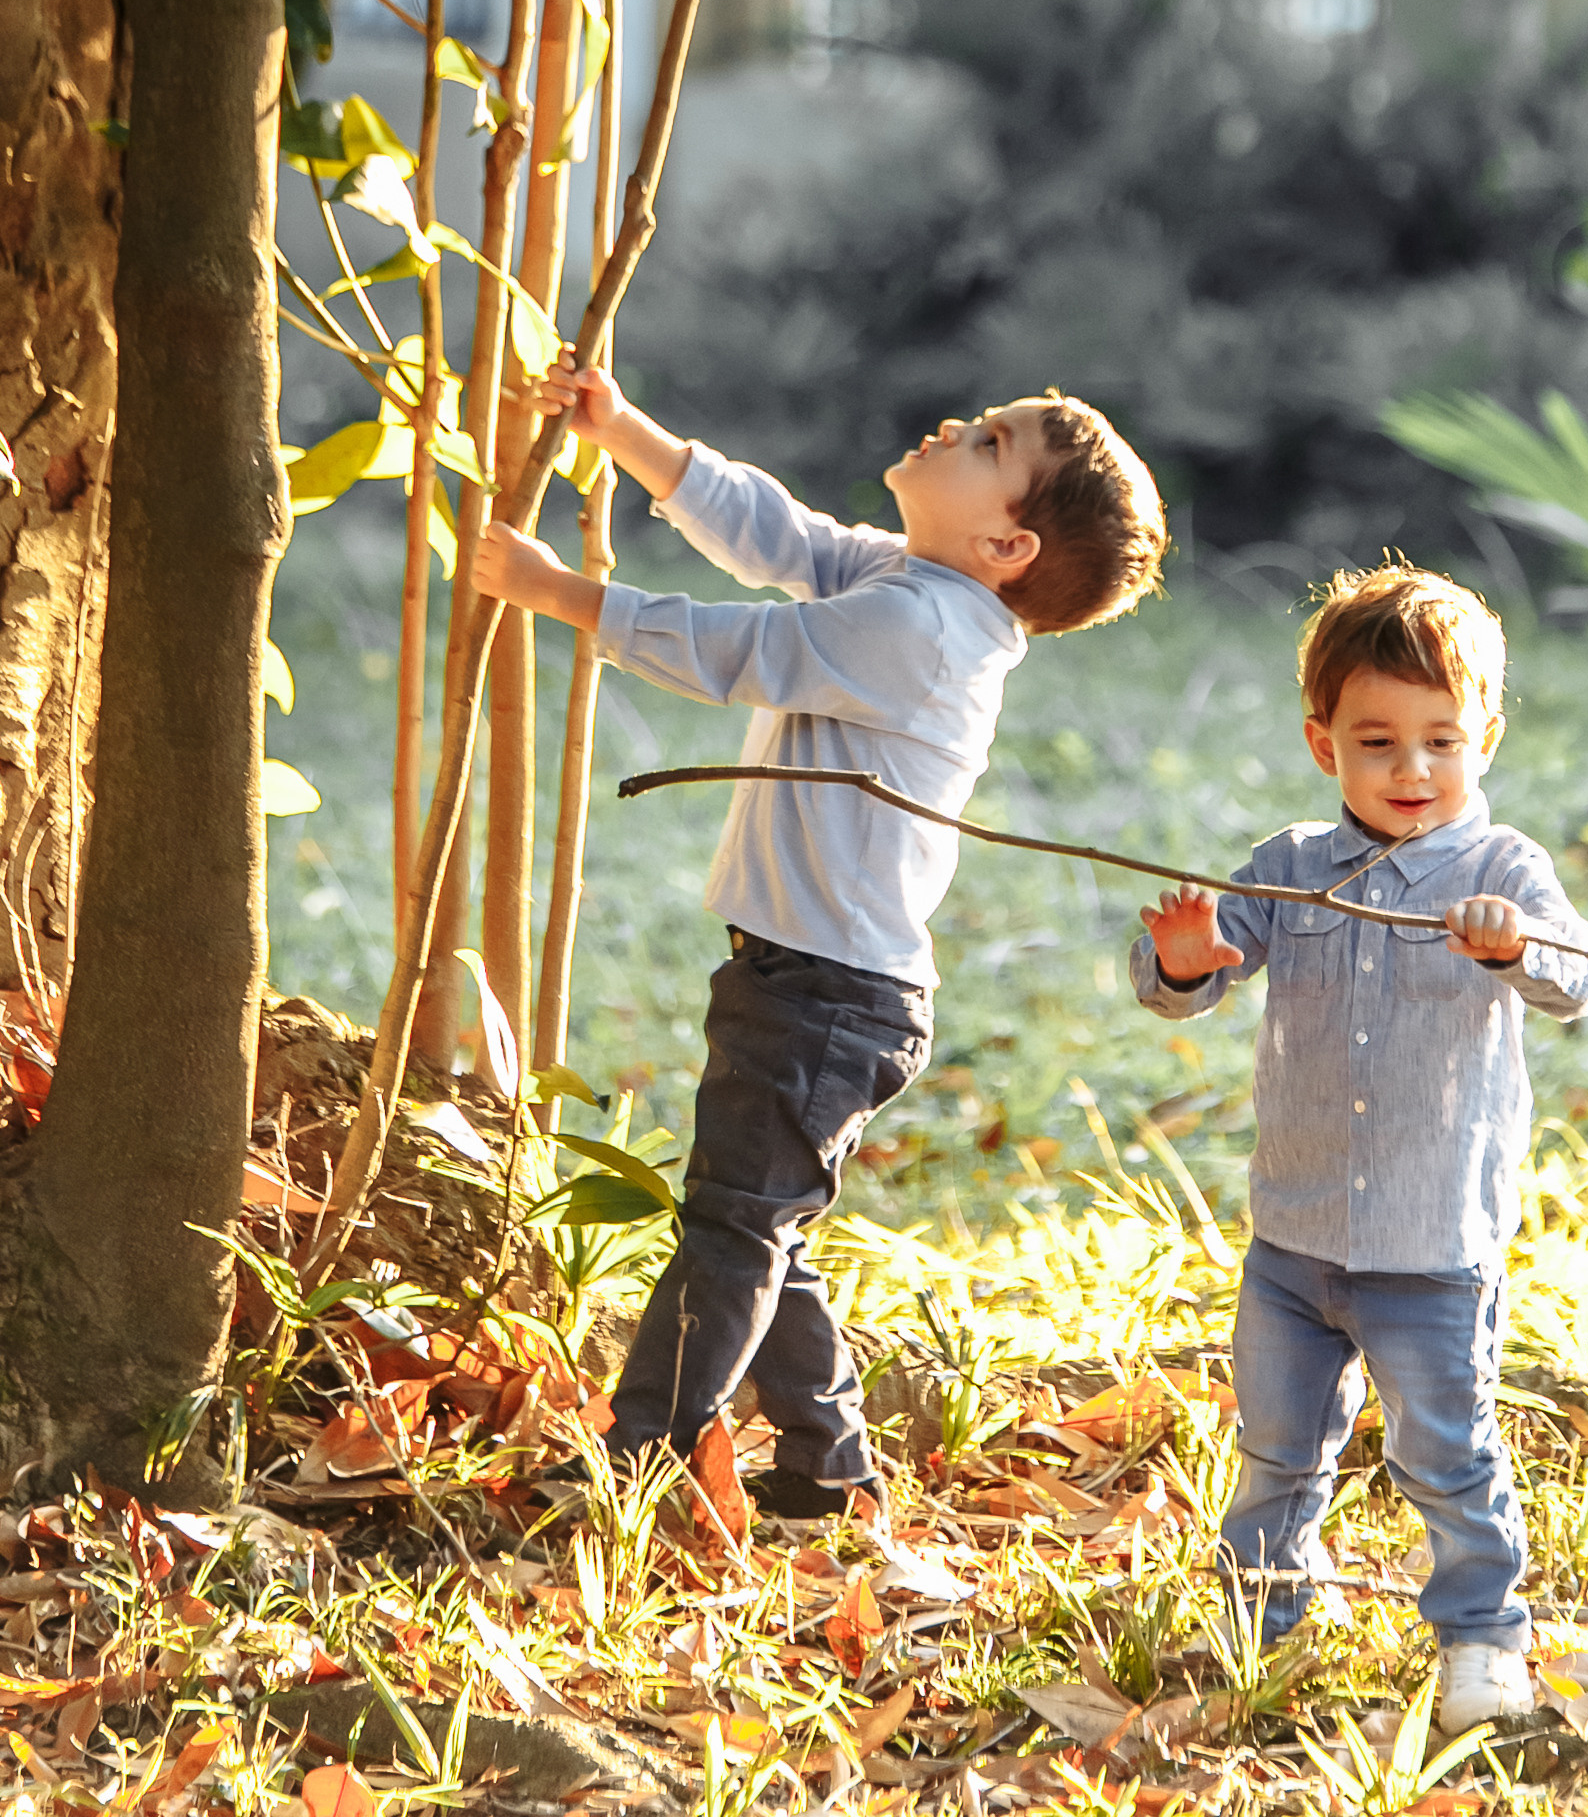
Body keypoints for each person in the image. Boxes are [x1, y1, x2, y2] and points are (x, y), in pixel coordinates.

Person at [477, 358, 1167, 1526]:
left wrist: (567, 595)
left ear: (1008, 548)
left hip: (829, 991)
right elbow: (776, 533)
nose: (959, 423)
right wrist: (626, 431)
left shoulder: (922, 634)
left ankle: (637, 1459)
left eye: (992, 442)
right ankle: (828, 1467)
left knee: (733, 1225)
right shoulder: (910, 584)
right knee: (765, 1225)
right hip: (809, 976)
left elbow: (750, 649)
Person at [1129, 560, 1588, 1734]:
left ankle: (1483, 1640)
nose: (1411, 769)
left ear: (1485, 735)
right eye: (1377, 740)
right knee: (1276, 1444)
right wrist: (1188, 956)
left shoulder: (1502, 872)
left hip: (1430, 1239)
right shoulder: (1291, 864)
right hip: (1293, 1237)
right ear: (1322, 742)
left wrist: (1516, 948)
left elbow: (1584, 974)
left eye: (1441, 740)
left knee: (1445, 1450)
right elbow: (1179, 978)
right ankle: (1259, 1616)